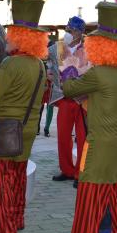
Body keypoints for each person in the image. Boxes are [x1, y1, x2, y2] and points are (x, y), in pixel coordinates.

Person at [55, 2, 117, 233]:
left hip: (101, 143)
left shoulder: (99, 73)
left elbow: (69, 89)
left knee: (90, 196)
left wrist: (69, 65)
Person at [0, 0, 48, 233]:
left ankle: (6, 230)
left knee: (2, 180)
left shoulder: (11, 63)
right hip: (28, 128)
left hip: (6, 129)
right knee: (18, 176)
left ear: (20, 36)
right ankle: (16, 218)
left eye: (11, 33)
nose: (7, 38)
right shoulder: (39, 64)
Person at [50, 16, 89, 186]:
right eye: (68, 30)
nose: (70, 33)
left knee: (82, 138)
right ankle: (66, 169)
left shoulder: (90, 48)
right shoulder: (57, 48)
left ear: (81, 33)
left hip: (83, 100)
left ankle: (80, 174)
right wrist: (51, 74)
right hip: (64, 98)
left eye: (73, 31)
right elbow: (50, 66)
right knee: (63, 136)